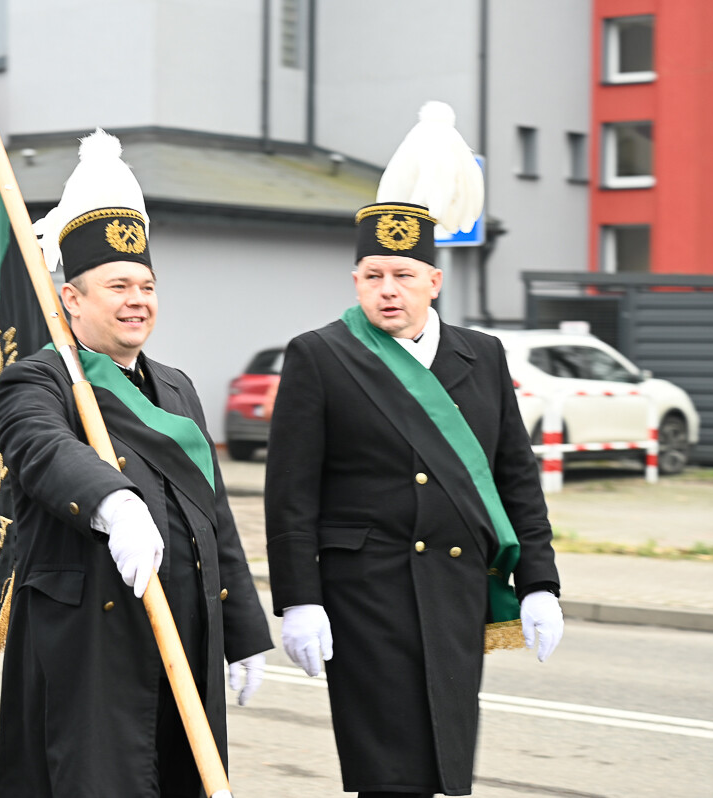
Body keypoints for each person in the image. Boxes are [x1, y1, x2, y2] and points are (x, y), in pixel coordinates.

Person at [264, 102, 565, 798]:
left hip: (455, 592)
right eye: (373, 275)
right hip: (364, 592)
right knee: (388, 769)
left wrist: (540, 582)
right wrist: (298, 599)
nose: (388, 289)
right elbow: (291, 493)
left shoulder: (480, 356)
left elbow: (514, 475)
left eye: (403, 274)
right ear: (355, 281)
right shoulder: (320, 355)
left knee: (448, 759)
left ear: (434, 280)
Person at [0, 130, 273, 797]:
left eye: (146, 285)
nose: (137, 299)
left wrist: (243, 627)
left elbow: (213, 512)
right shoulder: (38, 380)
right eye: (117, 285)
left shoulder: (176, 387)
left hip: (185, 632)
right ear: (72, 299)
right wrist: (113, 502)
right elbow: (44, 450)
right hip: (89, 643)